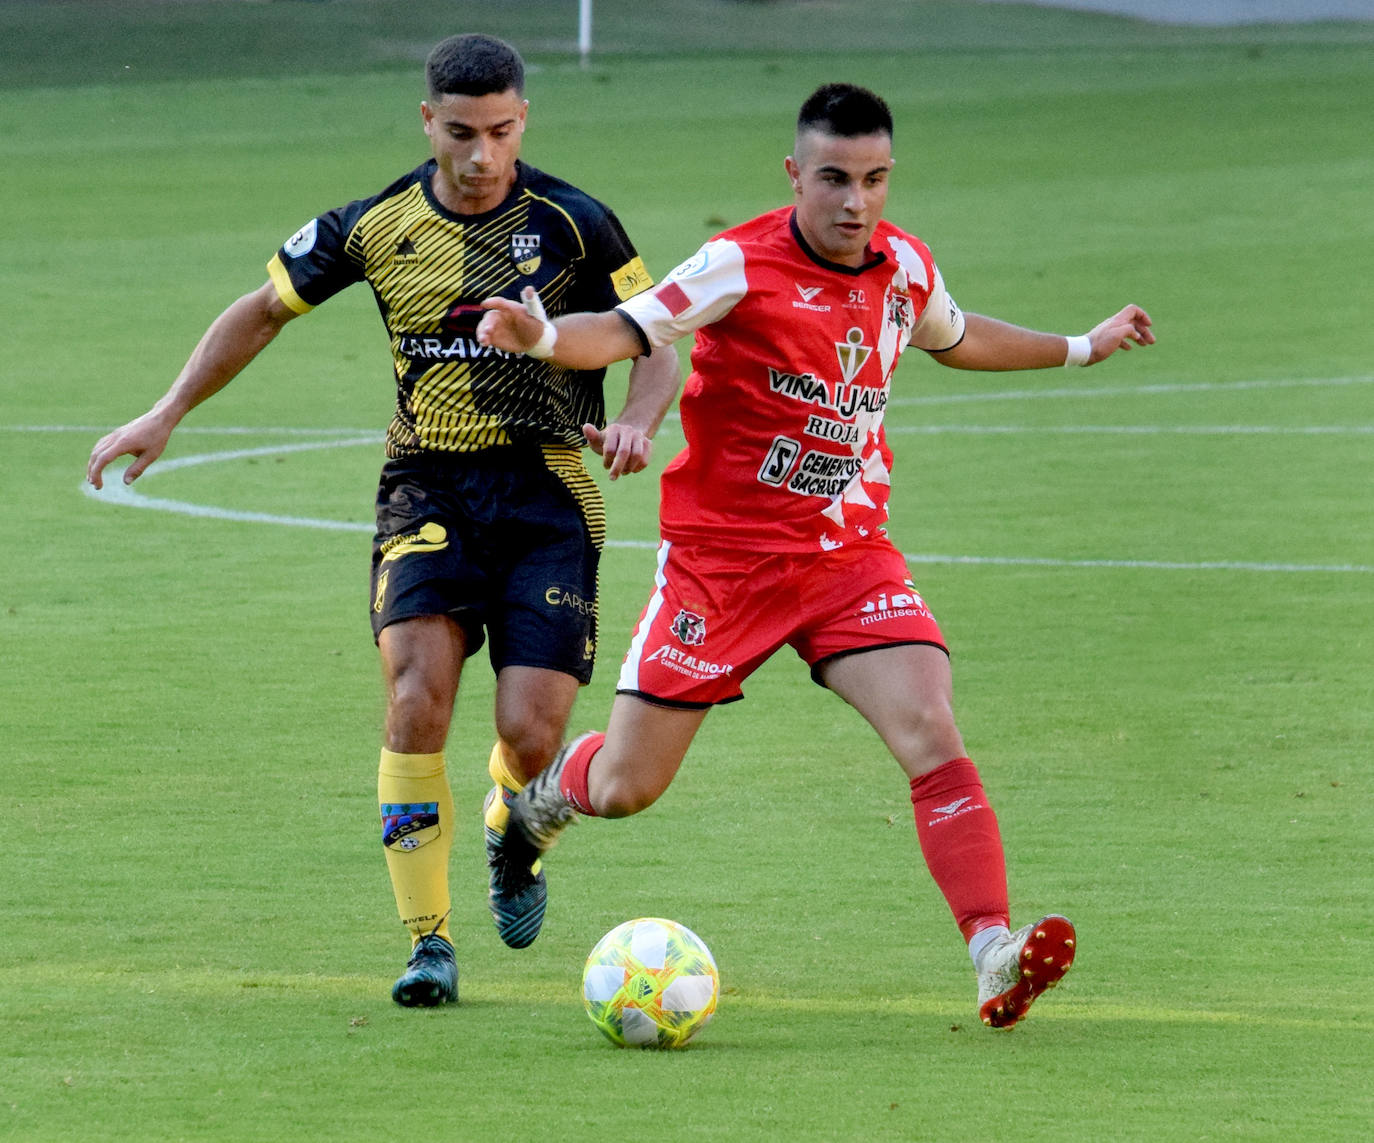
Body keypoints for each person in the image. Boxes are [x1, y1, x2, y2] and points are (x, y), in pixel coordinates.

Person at [476, 82, 1154, 1028]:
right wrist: (544, 333)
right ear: (796, 174)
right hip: (724, 567)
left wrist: (1084, 344)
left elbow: (958, 338)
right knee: (628, 786)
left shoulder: (904, 267)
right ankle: (534, 808)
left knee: (931, 729)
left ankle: (993, 951)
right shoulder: (735, 265)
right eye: (834, 178)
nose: (855, 202)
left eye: (874, 179)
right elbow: (627, 332)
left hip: (846, 558)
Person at [85, 34, 682, 1008]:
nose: (481, 155)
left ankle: (514, 824)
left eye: (499, 132)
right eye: (460, 133)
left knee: (534, 737)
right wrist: (165, 413)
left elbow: (654, 336)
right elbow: (261, 310)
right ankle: (428, 943)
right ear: (427, 123)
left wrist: (640, 421)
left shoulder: (575, 224)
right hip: (425, 490)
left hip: (548, 497)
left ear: (523, 119)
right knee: (415, 706)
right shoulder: (375, 225)